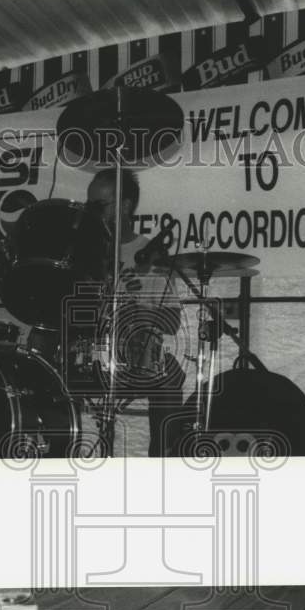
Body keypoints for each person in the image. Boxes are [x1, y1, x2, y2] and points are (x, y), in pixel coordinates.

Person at [85, 168, 185, 456]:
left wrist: (133, 310)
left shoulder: (150, 255)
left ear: (126, 206)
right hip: (88, 353)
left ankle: (161, 466)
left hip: (133, 356)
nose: (92, 213)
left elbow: (172, 320)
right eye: (88, 205)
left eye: (99, 205)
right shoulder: (81, 251)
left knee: (170, 375)